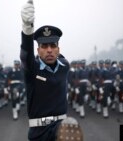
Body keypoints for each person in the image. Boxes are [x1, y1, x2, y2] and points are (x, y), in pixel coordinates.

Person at [20, 0, 83, 140]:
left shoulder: (64, 66)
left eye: (53, 46)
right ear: (38, 50)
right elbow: (25, 54)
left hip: (61, 128)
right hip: (38, 132)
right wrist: (27, 28)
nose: (49, 50)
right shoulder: (32, 69)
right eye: (44, 46)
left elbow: (61, 59)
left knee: (71, 128)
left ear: (58, 49)